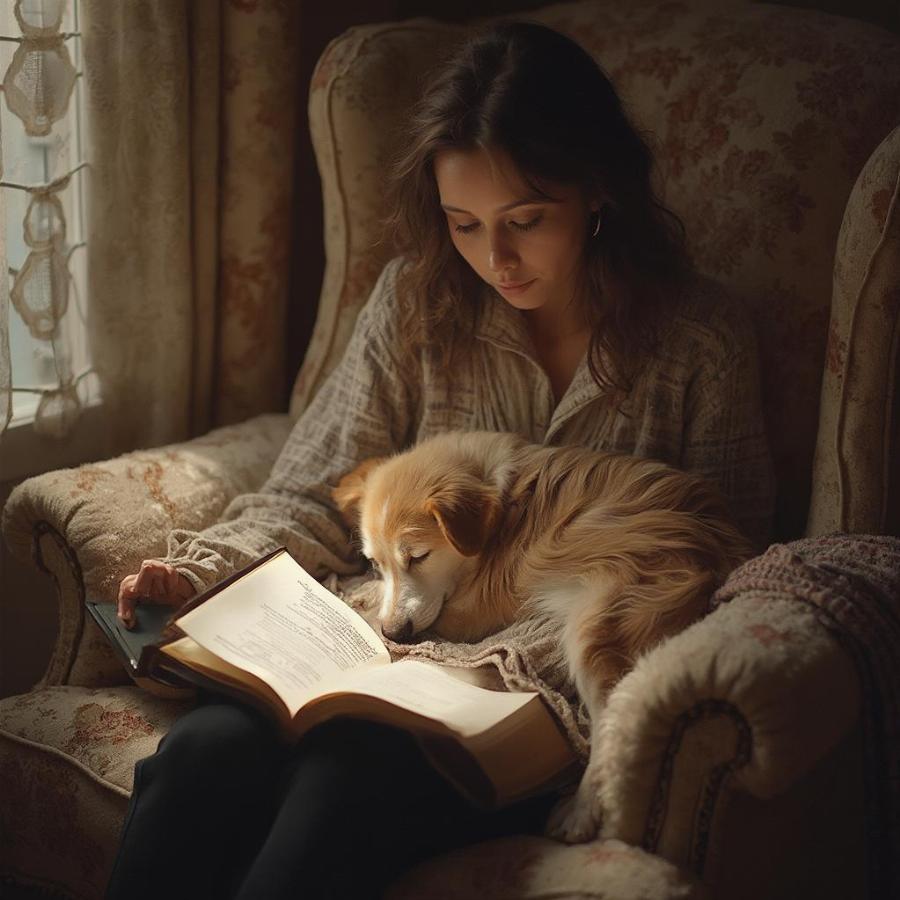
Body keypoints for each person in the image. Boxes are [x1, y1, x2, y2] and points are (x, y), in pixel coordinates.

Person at [107, 19, 774, 900]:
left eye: (525, 221)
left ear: (598, 193)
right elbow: (309, 493)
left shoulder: (700, 340)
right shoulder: (414, 306)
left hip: (526, 700)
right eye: (463, 223)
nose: (493, 258)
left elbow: (724, 561)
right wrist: (196, 574)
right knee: (202, 756)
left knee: (342, 782)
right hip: (370, 651)